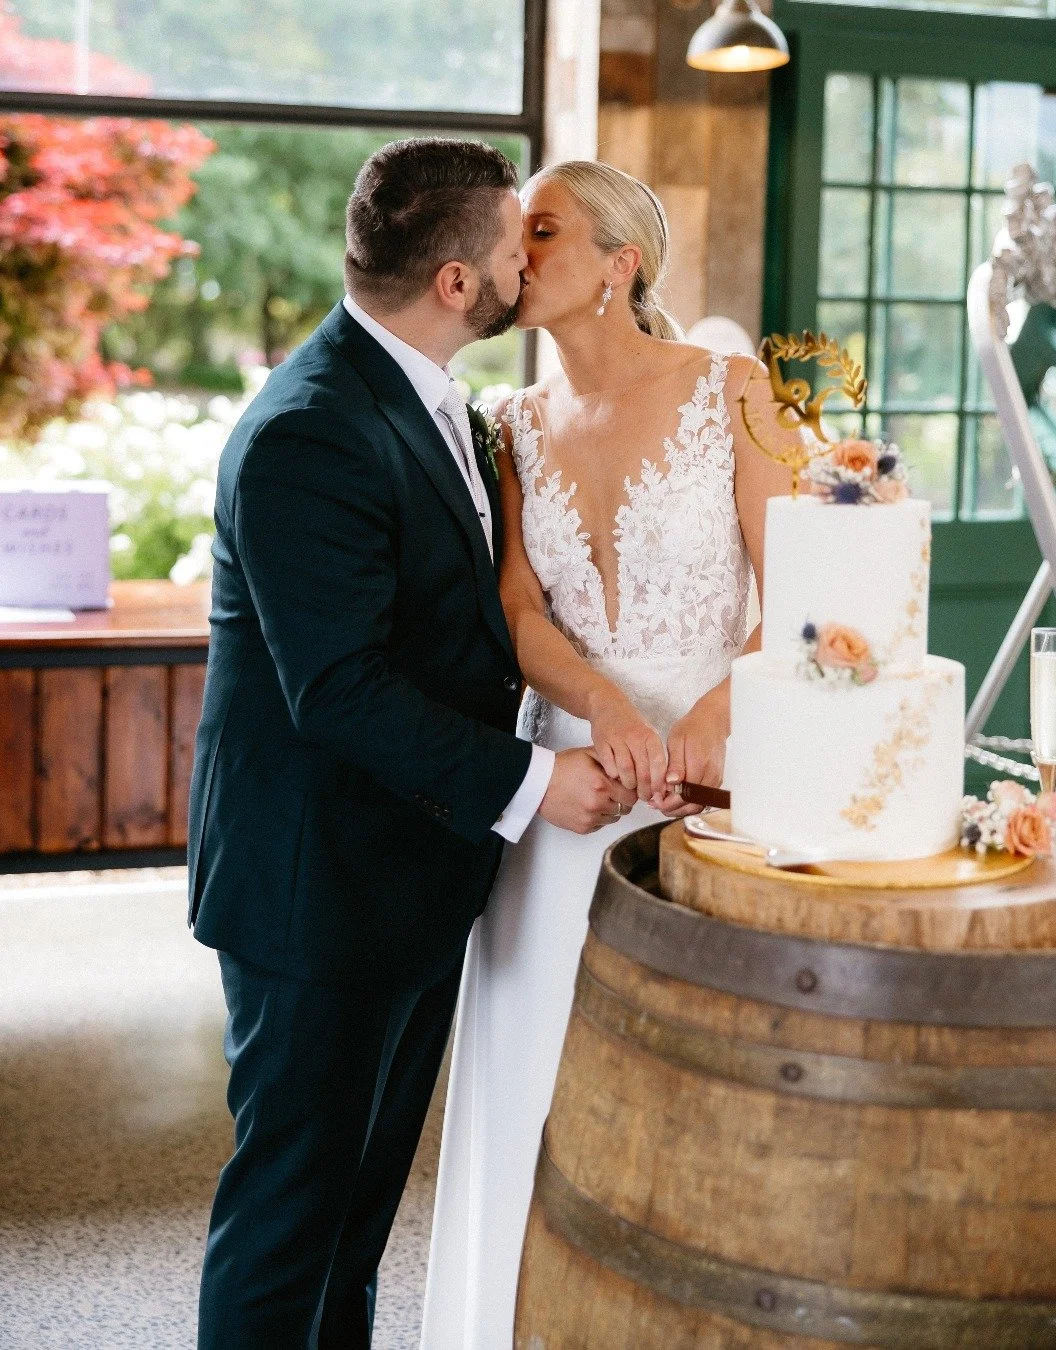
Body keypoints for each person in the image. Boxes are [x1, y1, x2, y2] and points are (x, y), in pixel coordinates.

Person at [187, 138, 637, 1350]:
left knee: (353, 1218)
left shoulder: (441, 404)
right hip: (314, 890)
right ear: (453, 283)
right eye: (509, 245)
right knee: (289, 1221)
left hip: (410, 872)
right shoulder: (310, 429)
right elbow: (339, 690)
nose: (520, 264)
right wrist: (538, 780)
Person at [421, 160, 798, 1346]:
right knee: (537, 1077)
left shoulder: (732, 391)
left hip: (715, 779)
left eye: (544, 230)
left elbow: (799, 596)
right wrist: (605, 709)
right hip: (567, 788)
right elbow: (522, 613)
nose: (514, 251)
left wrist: (712, 717)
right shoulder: (514, 426)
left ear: (619, 265)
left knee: (706, 1085)